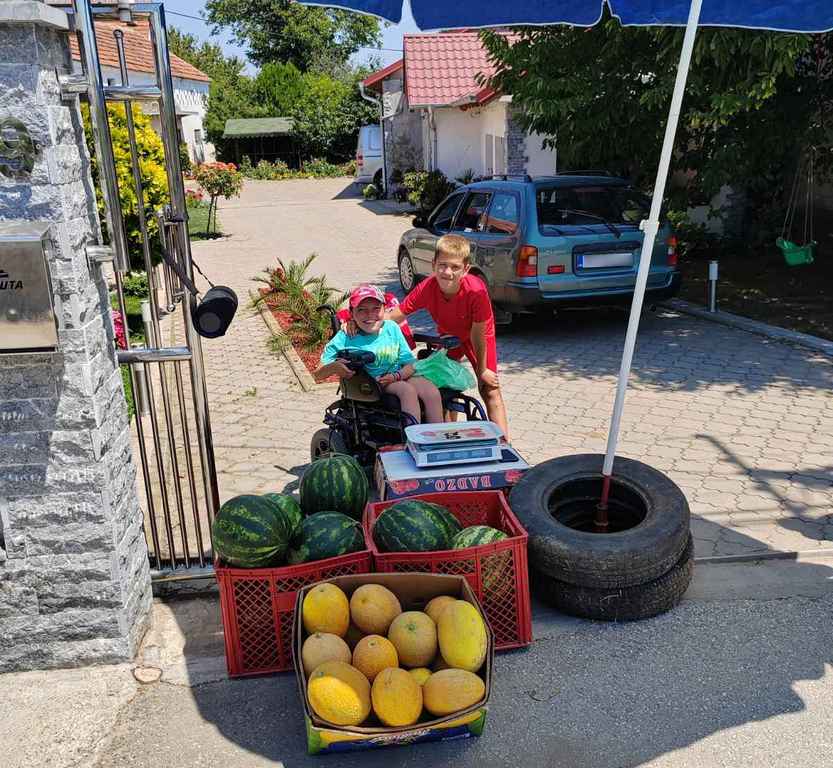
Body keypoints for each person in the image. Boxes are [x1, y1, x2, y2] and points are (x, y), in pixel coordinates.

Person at [389, 234, 510, 439]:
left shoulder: (476, 291)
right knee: (444, 384)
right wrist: (359, 324)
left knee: (489, 387)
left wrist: (482, 370)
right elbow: (396, 314)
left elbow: (478, 334)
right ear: (434, 264)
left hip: (477, 335)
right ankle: (450, 437)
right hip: (449, 336)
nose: (447, 272)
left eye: (454, 267)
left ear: (466, 268)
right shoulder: (428, 287)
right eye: (442, 265)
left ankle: (504, 443)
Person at [314, 283, 443, 424]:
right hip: (371, 384)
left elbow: (410, 363)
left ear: (385, 308)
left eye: (376, 308)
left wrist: (397, 375)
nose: (370, 315)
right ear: (352, 313)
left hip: (398, 375)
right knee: (407, 391)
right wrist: (334, 367)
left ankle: (438, 438)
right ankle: (413, 440)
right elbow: (318, 374)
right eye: (362, 310)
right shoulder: (345, 336)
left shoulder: (391, 328)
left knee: (431, 391)